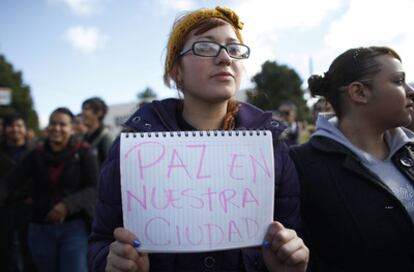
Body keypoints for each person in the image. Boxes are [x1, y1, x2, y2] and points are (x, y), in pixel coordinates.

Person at [88, 6, 309, 272]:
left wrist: (289, 259)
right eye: (205, 47)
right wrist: (111, 262)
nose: (225, 58)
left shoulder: (271, 148)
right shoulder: (131, 147)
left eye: (234, 49)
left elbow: (292, 233)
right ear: (176, 71)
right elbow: (101, 240)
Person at [289, 46, 414, 271]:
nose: (410, 90)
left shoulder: (410, 152)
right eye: (398, 81)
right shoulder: (300, 166)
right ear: (359, 92)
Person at [0, 107, 99, 272]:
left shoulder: (84, 152)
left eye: (62, 124)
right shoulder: (35, 154)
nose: (56, 128)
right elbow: (9, 183)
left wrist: (66, 205)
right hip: (40, 228)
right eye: (53, 123)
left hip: (74, 228)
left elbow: (95, 187)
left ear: (72, 128)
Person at [0, 113, 35, 272]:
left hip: (29, 211)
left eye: (19, 126)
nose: (15, 129)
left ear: (25, 129)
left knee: (28, 252)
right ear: (5, 129)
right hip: (4, 210)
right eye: (11, 126)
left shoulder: (36, 151)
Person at [81, 97, 113, 166]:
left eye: (86, 109)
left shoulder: (106, 137)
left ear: (99, 113)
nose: (82, 113)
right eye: (83, 109)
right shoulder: (84, 137)